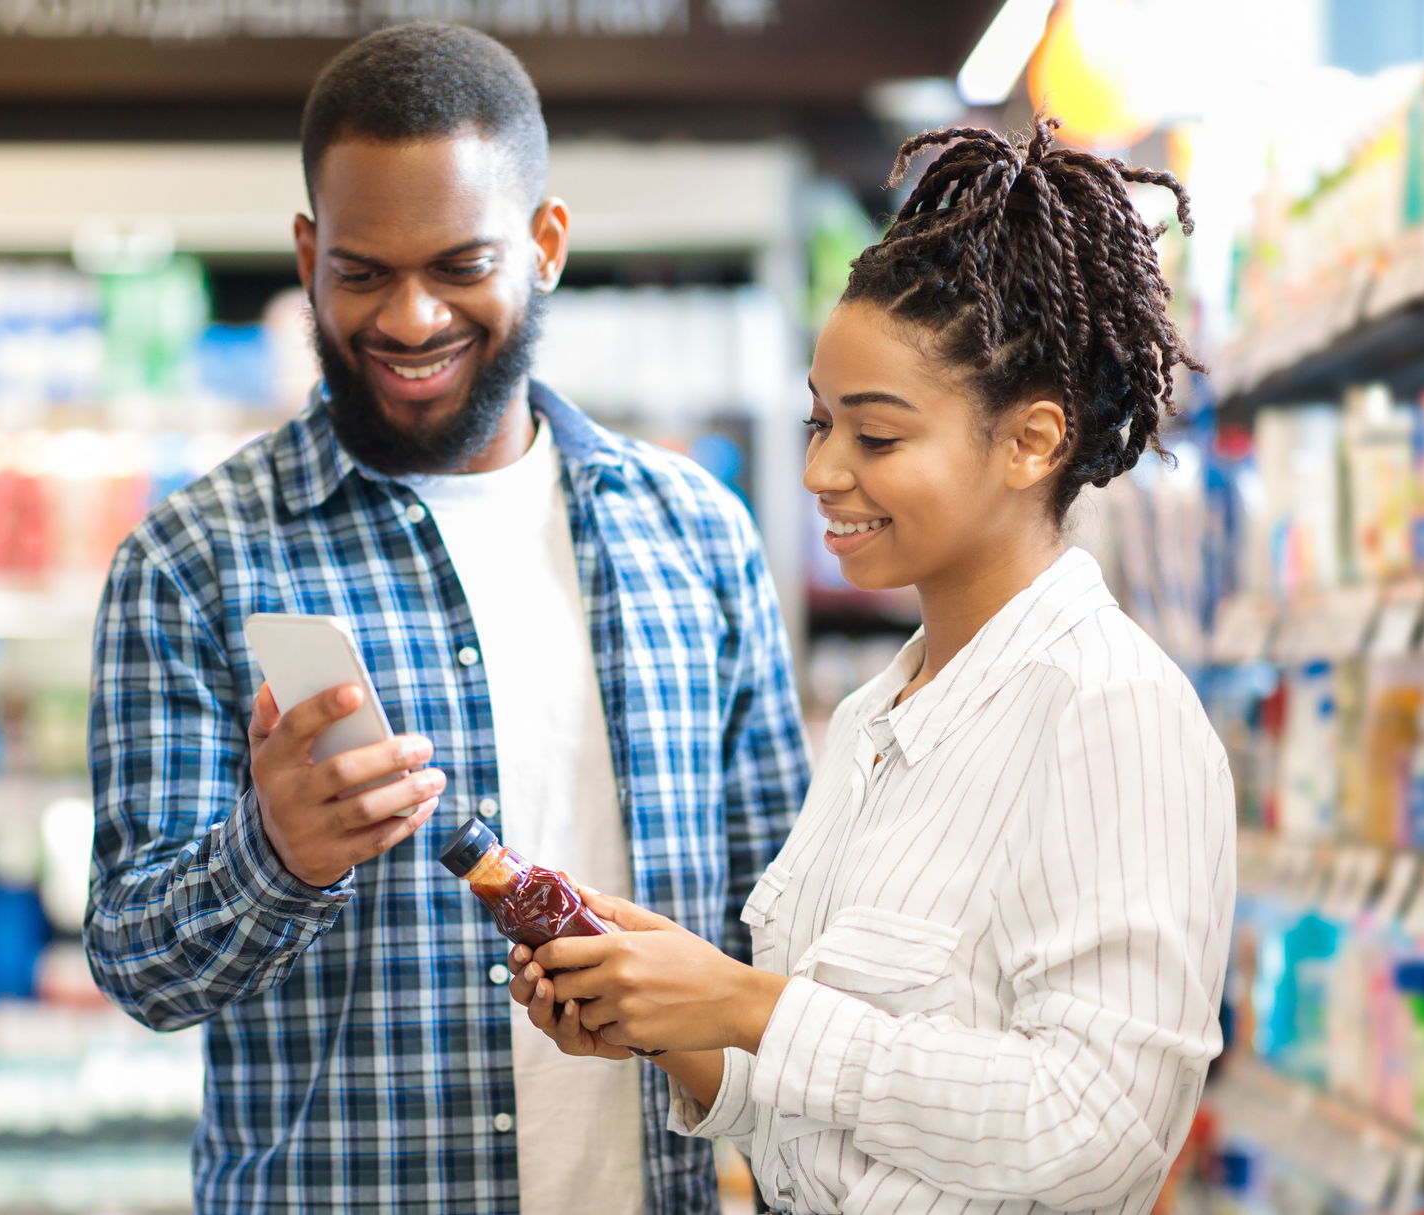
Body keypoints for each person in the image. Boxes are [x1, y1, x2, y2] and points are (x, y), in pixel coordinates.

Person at [84, 21, 809, 1215]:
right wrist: (274, 858)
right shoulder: (194, 559)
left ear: (545, 244)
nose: (411, 319)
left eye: (460, 267)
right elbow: (136, 965)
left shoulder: (693, 535)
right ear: (308, 255)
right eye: (362, 272)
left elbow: (782, 929)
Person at [508, 120, 1235, 1215]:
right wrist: (671, 1023)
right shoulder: (873, 715)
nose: (819, 471)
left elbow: (1100, 1132)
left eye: (876, 437)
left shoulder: (1111, 709)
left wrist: (751, 1005)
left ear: (1031, 442)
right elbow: (828, 1110)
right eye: (817, 422)